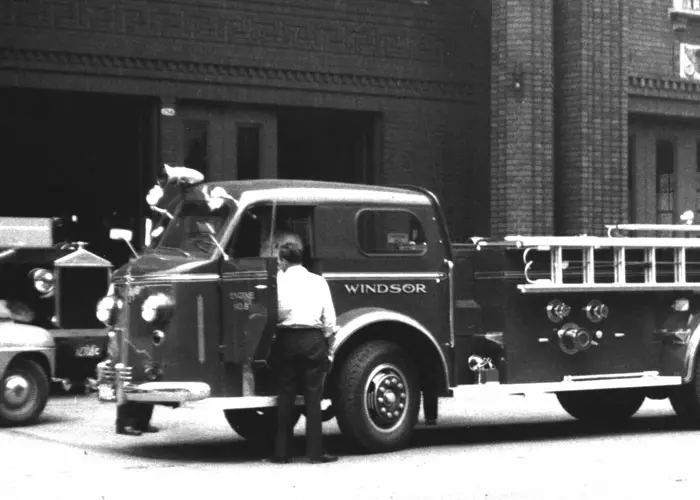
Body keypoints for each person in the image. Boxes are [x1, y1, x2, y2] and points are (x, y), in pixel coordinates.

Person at [269, 240, 338, 464]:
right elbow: (329, 319)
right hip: (313, 340)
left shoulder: (277, 282)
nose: (278, 264)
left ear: (285, 261)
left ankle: (282, 453)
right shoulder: (318, 281)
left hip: (286, 341)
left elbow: (275, 313)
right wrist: (329, 347)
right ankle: (315, 452)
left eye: (279, 260)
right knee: (313, 398)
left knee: (286, 397)